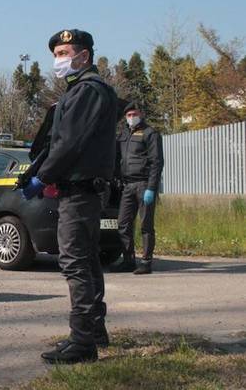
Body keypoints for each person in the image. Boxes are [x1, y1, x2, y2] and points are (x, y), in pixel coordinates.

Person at [21, 29, 118, 363]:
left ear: (84, 56)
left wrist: (43, 177)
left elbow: (69, 144)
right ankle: (93, 331)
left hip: (79, 191)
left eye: (64, 52)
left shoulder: (88, 91)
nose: (58, 60)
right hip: (81, 190)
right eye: (56, 54)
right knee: (88, 261)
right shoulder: (81, 91)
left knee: (75, 262)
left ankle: (82, 342)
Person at [114, 102, 164, 274]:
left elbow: (157, 162)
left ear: (141, 114)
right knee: (123, 223)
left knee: (146, 225)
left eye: (134, 114)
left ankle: (146, 262)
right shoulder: (124, 134)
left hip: (144, 185)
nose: (131, 117)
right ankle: (128, 260)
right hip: (127, 186)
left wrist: (152, 188)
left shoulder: (150, 133)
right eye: (128, 115)